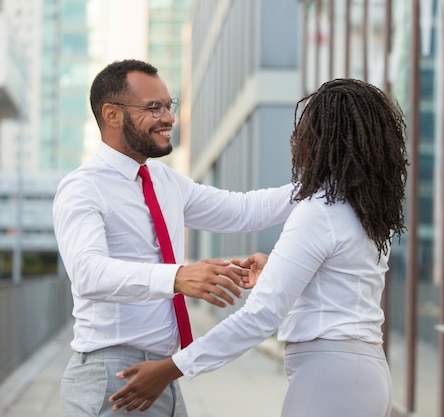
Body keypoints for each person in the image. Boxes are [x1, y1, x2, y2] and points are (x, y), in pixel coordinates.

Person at [109, 78, 409, 417]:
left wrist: (172, 368)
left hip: (330, 378)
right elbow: (340, 287)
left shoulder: (318, 212)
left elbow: (260, 316)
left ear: (323, 139)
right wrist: (277, 268)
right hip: (367, 373)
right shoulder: (364, 212)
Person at [52, 59, 295, 417]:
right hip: (113, 375)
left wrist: (324, 184)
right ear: (112, 114)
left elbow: (244, 211)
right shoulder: (83, 187)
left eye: (169, 105)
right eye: (154, 108)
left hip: (162, 374)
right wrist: (178, 277)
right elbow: (88, 273)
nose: (169, 118)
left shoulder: (165, 181)